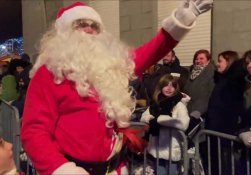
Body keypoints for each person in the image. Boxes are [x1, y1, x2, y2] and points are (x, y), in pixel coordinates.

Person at [20, 1, 212, 175]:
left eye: (93, 25)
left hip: (116, 168)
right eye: (80, 24)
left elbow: (153, 50)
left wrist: (180, 21)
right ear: (63, 33)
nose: (88, 30)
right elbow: (34, 131)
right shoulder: (48, 73)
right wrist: (61, 169)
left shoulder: (111, 66)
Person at [140, 74, 190, 174]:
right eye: (166, 85)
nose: (169, 88)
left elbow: (184, 123)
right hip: (157, 146)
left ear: (176, 88)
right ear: (161, 87)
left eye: (172, 86)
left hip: (172, 146)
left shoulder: (178, 105)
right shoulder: (156, 103)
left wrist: (162, 120)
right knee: (160, 172)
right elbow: (143, 117)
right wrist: (150, 119)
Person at [183, 49, 215, 134]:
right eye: (196, 59)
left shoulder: (211, 74)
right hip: (187, 109)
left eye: (201, 58)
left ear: (208, 60)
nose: (198, 61)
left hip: (199, 112)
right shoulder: (192, 72)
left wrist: (199, 111)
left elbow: (209, 95)